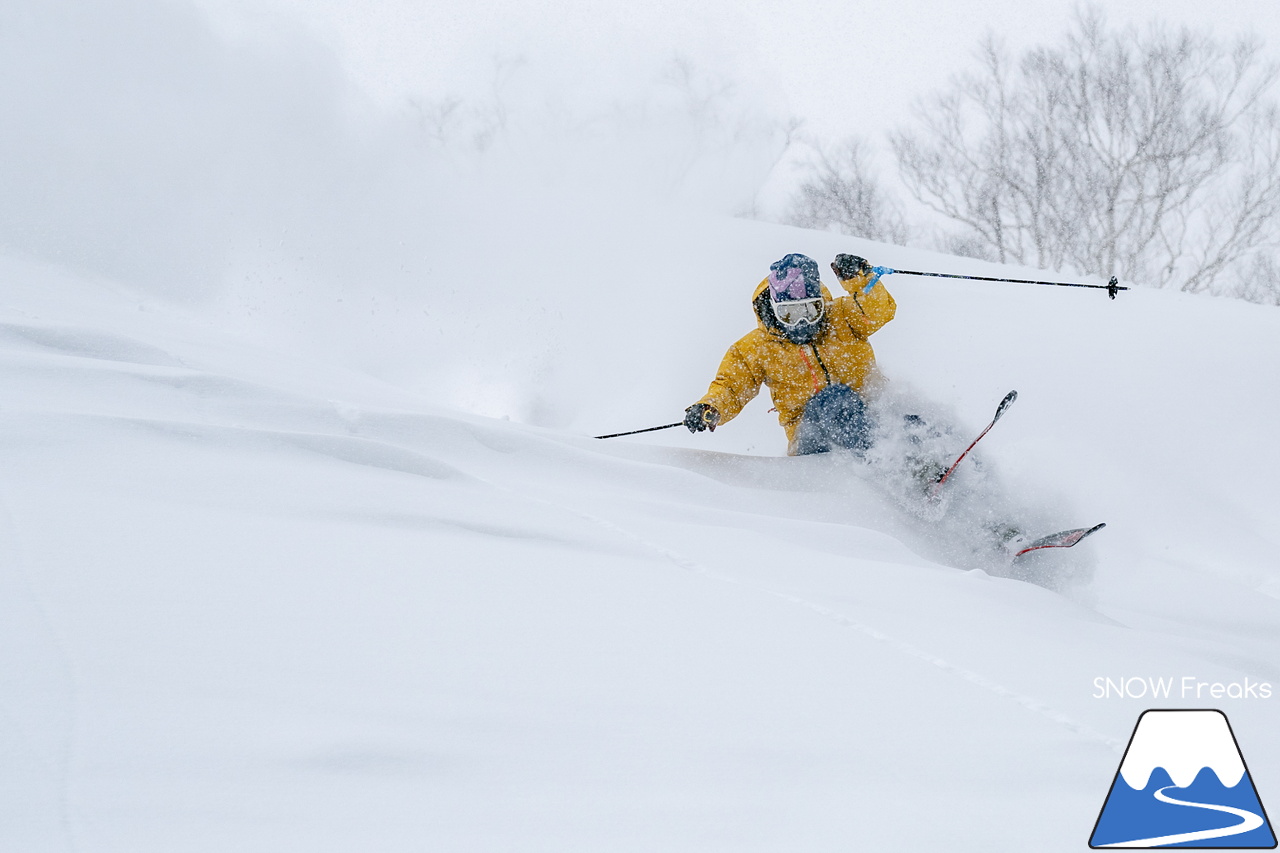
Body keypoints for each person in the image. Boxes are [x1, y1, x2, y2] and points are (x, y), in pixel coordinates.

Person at [683, 252, 896, 456]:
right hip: (812, 435)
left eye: (810, 310)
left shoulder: (842, 317)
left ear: (821, 304)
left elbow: (877, 311)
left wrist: (859, 277)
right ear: (774, 311)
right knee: (834, 400)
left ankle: (923, 472)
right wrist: (710, 407)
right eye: (789, 314)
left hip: (871, 418)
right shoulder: (760, 346)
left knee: (908, 417)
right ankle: (885, 466)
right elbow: (732, 386)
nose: (802, 322)